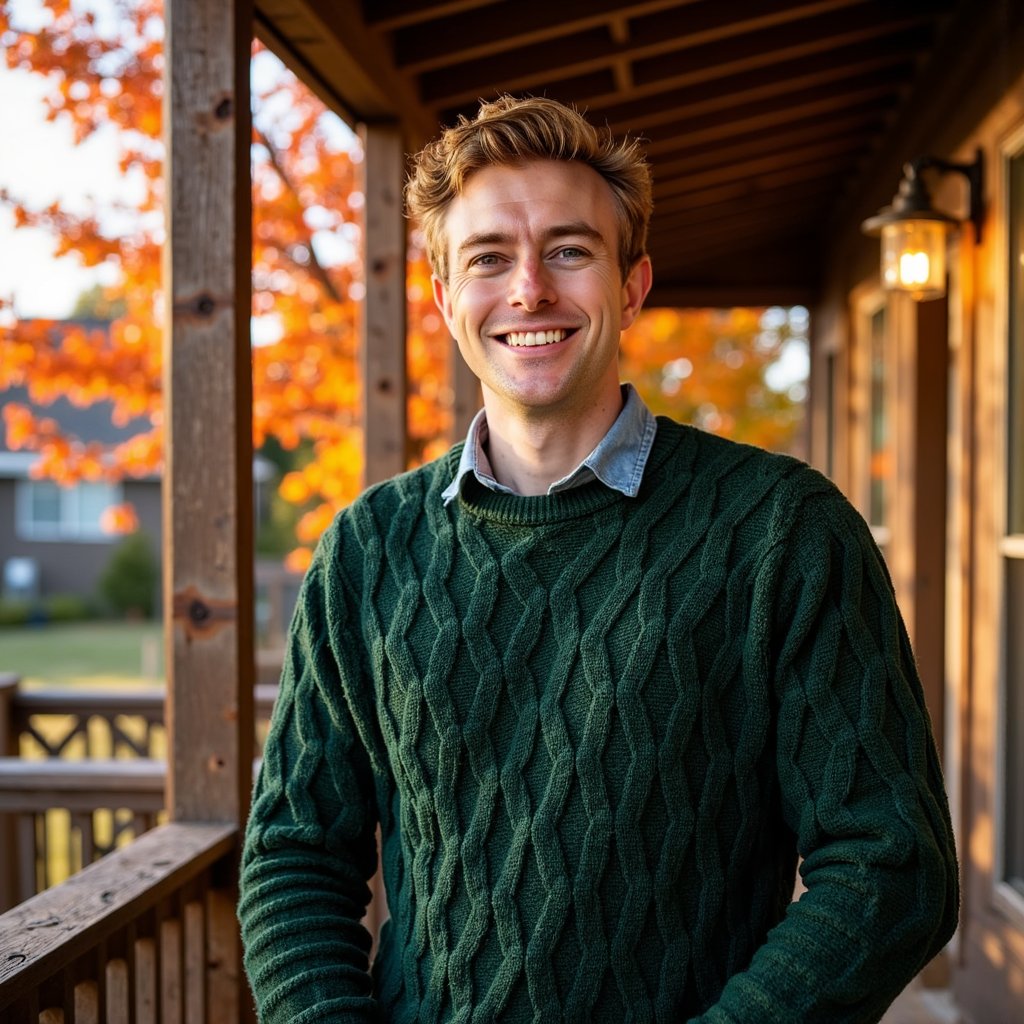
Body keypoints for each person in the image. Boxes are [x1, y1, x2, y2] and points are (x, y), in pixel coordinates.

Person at [238, 95, 958, 1023]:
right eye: (489, 258)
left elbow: (893, 864)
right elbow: (295, 852)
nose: (529, 288)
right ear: (444, 296)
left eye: (570, 250)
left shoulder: (782, 529)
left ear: (631, 285)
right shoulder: (366, 551)